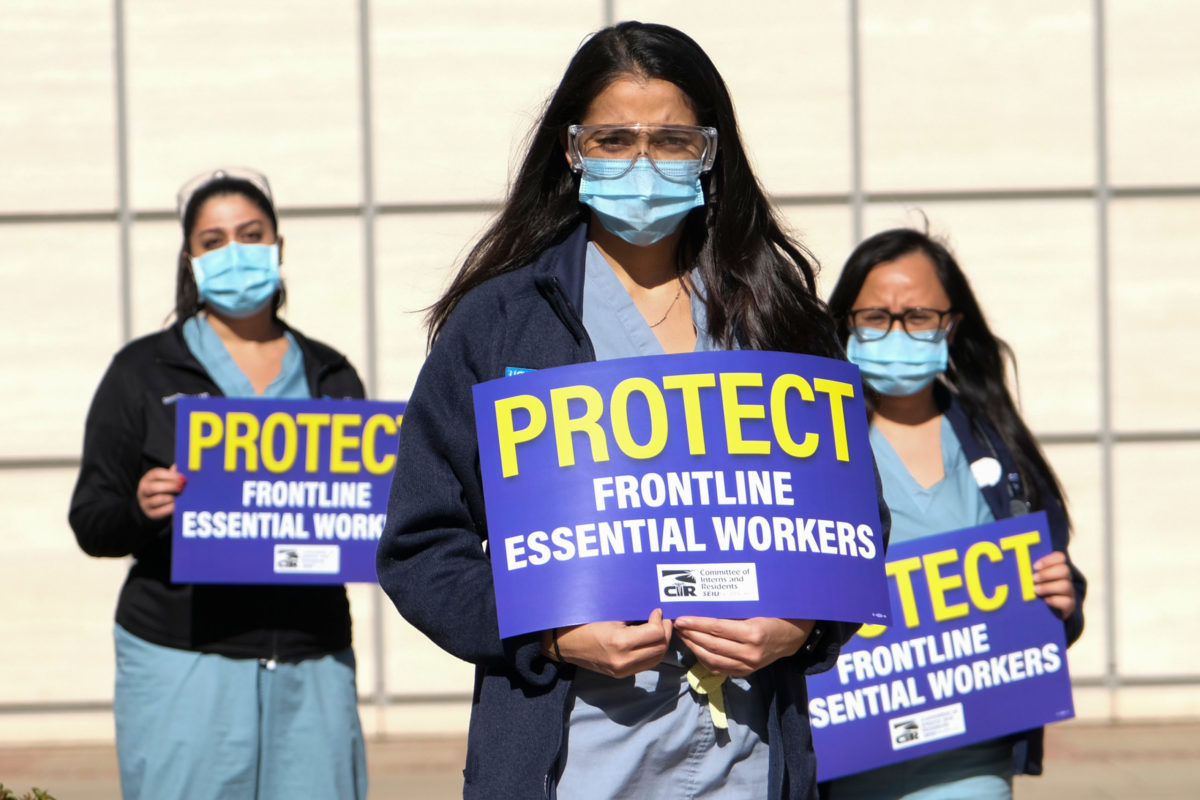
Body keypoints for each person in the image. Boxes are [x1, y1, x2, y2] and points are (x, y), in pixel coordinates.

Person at [376, 21, 887, 800]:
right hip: (573, 758)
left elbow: (853, 523)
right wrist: (548, 635)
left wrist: (804, 627)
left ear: (711, 155)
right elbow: (421, 544)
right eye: (613, 139)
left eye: (673, 141)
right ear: (571, 150)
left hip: (746, 757)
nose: (642, 164)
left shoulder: (780, 321)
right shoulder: (502, 323)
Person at [68, 167, 368, 800]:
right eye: (213, 240)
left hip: (311, 661)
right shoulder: (142, 372)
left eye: (250, 234)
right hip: (183, 661)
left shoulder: (332, 376)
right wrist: (142, 507)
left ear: (278, 248)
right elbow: (92, 520)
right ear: (191, 261)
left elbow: (364, 511)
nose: (234, 252)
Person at [822, 227, 1087, 799]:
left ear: (952, 324)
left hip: (973, 766)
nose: (897, 331)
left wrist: (1063, 598)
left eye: (918, 315)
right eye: (875, 316)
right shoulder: (813, 443)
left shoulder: (995, 443)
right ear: (844, 321)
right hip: (846, 764)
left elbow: (1054, 582)